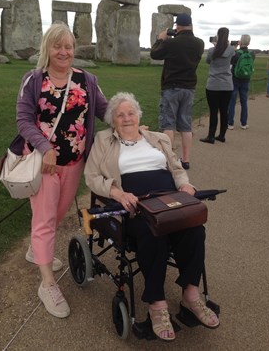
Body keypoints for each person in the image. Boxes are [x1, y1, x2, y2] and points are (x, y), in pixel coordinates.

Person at [84, 92, 219, 342]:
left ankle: (190, 295)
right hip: (135, 204)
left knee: (194, 229)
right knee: (151, 233)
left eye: (131, 113)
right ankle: (157, 304)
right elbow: (91, 177)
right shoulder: (103, 140)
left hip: (169, 199)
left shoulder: (156, 138)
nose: (126, 118)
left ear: (139, 116)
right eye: (120, 115)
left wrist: (185, 185)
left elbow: (176, 168)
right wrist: (116, 192)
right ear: (112, 121)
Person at [12, 22, 108, 318]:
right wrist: (45, 147)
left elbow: (103, 109)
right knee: (43, 218)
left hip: (74, 163)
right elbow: (24, 120)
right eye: (57, 46)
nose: (64, 52)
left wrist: (127, 121)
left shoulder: (87, 79)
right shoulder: (34, 80)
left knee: (56, 213)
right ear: (47, 49)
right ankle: (48, 284)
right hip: (44, 164)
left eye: (68, 46)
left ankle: (34, 252)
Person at [150, 13, 204, 170]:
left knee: (168, 124)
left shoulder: (173, 43)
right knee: (186, 125)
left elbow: (155, 53)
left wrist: (161, 39)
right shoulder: (199, 43)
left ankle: (169, 160)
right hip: (189, 87)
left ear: (178, 26)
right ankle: (186, 159)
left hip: (172, 86)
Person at [200, 27, 235, 144]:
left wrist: (215, 45)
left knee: (213, 111)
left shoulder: (212, 50)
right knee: (224, 111)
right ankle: (222, 135)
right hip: (227, 84)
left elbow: (208, 61)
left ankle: (211, 135)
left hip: (214, 84)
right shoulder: (231, 50)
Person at [228, 35, 255, 130]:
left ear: (240, 42)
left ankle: (230, 123)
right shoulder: (252, 54)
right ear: (249, 42)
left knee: (232, 102)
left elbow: (230, 65)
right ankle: (244, 123)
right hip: (246, 79)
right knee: (244, 102)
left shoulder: (235, 54)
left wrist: (234, 48)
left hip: (235, 80)